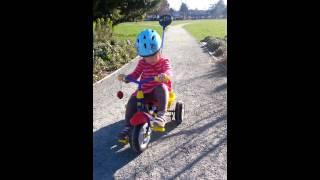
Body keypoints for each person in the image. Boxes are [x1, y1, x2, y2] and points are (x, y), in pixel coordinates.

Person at [117, 29, 173, 141]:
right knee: (132, 101)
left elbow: (169, 70)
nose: (149, 59)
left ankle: (161, 115)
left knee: (161, 87)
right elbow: (136, 73)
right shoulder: (142, 62)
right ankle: (128, 126)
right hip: (145, 90)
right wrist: (127, 78)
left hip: (158, 92)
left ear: (158, 50)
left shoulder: (163, 61)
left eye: (153, 55)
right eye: (145, 57)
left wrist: (165, 75)